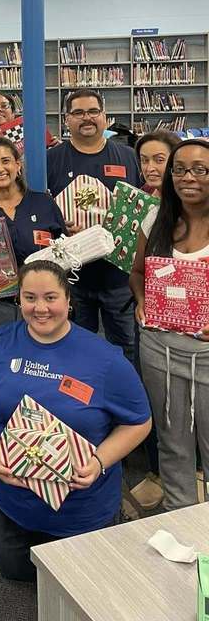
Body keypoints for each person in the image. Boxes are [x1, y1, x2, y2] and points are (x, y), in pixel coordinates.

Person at [0, 261, 151, 582]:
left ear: (68, 299)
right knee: (14, 570)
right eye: (30, 298)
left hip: (81, 508)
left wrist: (99, 461)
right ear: (18, 300)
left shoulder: (104, 358)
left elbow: (139, 422)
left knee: (81, 585)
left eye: (51, 297)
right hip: (13, 500)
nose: (40, 308)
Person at [129, 139, 209, 513]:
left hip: (207, 356)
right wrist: (143, 300)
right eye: (179, 169)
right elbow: (138, 272)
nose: (187, 177)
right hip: (159, 347)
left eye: (200, 169)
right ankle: (180, 520)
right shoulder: (155, 218)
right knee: (172, 442)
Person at [46, 88, 140, 356]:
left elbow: (136, 207)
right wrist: (61, 228)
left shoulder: (127, 156)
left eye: (93, 111)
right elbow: (41, 211)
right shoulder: (51, 159)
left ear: (105, 116)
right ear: (66, 120)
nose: (86, 118)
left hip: (118, 277)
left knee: (127, 348)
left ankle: (123, 397)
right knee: (73, 348)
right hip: (72, 277)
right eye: (78, 113)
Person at [0, 137, 66, 350]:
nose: (0, 168)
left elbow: (64, 253)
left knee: (36, 372)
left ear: (18, 165)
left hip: (40, 310)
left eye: (6, 161)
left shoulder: (43, 204)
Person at [127, 129, 180, 510]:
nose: (150, 167)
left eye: (159, 159)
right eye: (144, 160)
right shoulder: (141, 204)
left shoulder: (197, 205)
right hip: (155, 326)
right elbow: (136, 268)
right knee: (158, 400)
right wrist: (142, 300)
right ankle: (161, 474)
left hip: (197, 332)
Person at [136, 130, 181, 196]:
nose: (149, 168)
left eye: (159, 160)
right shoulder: (146, 190)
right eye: (144, 160)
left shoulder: (188, 201)